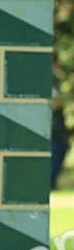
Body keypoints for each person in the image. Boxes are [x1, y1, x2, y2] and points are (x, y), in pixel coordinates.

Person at [51, 52, 70, 189]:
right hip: (53, 132)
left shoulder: (54, 81)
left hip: (58, 131)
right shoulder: (47, 80)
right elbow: (53, 104)